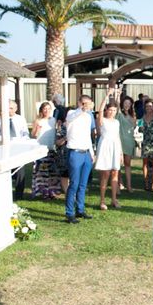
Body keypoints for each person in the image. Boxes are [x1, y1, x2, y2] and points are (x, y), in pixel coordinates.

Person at [64, 95, 95, 224]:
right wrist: (82, 108)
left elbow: (88, 136)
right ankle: (70, 213)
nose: (86, 106)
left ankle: (80, 209)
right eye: (83, 103)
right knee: (74, 184)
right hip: (75, 152)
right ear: (79, 103)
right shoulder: (72, 113)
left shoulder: (88, 117)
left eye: (87, 103)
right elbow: (72, 116)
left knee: (83, 184)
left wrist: (92, 153)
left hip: (86, 152)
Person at [95, 90, 123, 210]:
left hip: (115, 147)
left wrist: (121, 152)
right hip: (105, 147)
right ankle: (102, 200)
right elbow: (100, 110)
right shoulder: (102, 120)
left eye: (114, 110)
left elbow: (117, 137)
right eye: (110, 110)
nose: (112, 112)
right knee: (105, 174)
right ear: (107, 110)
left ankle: (114, 199)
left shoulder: (116, 122)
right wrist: (107, 95)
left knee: (115, 173)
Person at [31, 101, 61, 199]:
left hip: (51, 149)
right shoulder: (38, 120)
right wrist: (37, 129)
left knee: (52, 172)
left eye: (49, 109)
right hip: (40, 149)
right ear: (41, 110)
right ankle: (43, 192)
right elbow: (33, 135)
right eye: (45, 109)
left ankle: (52, 192)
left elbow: (57, 132)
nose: (47, 111)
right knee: (42, 173)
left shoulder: (54, 120)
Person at [8, 100, 30, 200]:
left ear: (16, 109)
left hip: (18, 147)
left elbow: (25, 133)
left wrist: (22, 142)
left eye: (11, 108)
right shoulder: (1, 119)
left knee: (20, 172)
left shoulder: (20, 119)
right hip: (6, 148)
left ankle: (19, 195)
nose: (9, 110)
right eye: (7, 108)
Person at [117, 93, 136, 192]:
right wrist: (117, 95)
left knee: (127, 164)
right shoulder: (119, 114)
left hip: (129, 142)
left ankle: (129, 185)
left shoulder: (133, 116)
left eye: (129, 103)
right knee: (118, 165)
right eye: (125, 103)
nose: (127, 105)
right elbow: (116, 105)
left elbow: (135, 126)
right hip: (119, 142)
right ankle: (119, 183)